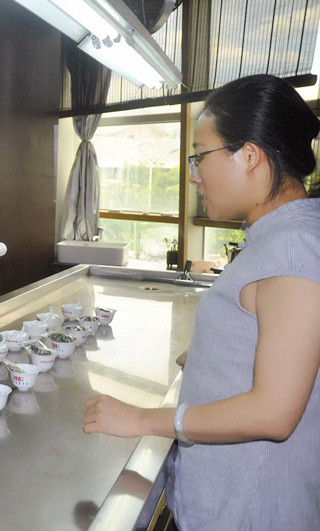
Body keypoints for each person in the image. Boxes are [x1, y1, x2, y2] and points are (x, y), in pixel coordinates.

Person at [82, 74, 320, 529]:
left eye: (200, 157)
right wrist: (213, 352)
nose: (193, 174)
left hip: (248, 511)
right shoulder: (278, 237)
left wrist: (141, 418)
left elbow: (275, 412)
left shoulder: (294, 247)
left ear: (250, 155)